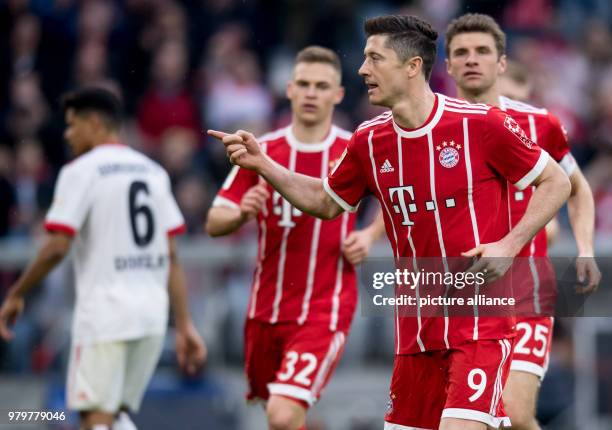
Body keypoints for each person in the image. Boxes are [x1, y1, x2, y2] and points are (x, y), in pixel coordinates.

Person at [209, 15, 572, 430]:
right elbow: (326, 202)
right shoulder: (368, 139)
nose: (363, 69)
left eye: (374, 59)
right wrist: (264, 165)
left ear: (412, 66)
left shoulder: (480, 124)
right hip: (415, 336)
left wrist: (509, 245)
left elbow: (555, 181)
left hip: (480, 325)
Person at [0, 88, 206, 430]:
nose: (67, 135)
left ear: (94, 123)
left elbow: (56, 247)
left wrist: (17, 293)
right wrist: (183, 324)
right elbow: (171, 254)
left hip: (105, 315)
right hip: (150, 318)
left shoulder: (81, 171)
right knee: (115, 416)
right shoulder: (153, 172)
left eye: (71, 125)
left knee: (94, 418)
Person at [206, 45, 384, 430]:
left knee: (283, 414)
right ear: (288, 89)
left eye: (321, 86)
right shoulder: (263, 150)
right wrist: (240, 213)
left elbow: (395, 200)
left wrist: (369, 235)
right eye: (303, 84)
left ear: (337, 94)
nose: (310, 93)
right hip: (266, 308)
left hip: (325, 306)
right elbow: (214, 220)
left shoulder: (354, 149)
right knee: (282, 413)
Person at [445, 13, 601, 430]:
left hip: (527, 291)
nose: (471, 59)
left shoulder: (539, 124)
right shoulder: (430, 129)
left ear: (501, 63)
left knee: (514, 414)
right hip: (458, 294)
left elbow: (578, 188)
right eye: (461, 52)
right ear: (447, 66)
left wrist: (584, 248)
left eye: (482, 51)